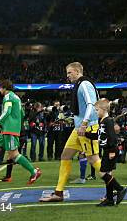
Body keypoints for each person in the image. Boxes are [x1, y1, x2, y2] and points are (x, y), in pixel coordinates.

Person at [39, 62, 100, 202]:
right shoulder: (79, 85)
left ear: (78, 71)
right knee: (65, 155)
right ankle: (58, 193)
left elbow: (92, 104)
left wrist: (84, 123)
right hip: (78, 128)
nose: (67, 76)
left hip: (87, 127)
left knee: (93, 159)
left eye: (69, 73)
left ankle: (114, 186)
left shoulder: (84, 84)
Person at [94, 98, 127, 207]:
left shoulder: (108, 121)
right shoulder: (103, 121)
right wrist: (86, 134)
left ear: (103, 109)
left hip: (110, 150)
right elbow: (100, 136)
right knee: (108, 174)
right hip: (108, 150)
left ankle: (120, 189)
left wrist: (112, 151)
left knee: (102, 173)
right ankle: (109, 199)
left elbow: (112, 137)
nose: (95, 112)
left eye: (96, 109)